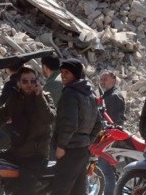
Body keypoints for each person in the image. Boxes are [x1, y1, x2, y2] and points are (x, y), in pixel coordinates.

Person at [0, 66, 54, 195]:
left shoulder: (45, 97)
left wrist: (39, 97)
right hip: (16, 150)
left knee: (24, 189)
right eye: (25, 81)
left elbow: (49, 118)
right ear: (19, 83)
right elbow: (2, 114)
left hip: (35, 155)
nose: (29, 84)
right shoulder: (15, 97)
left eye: (32, 81)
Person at [52, 59, 103, 195]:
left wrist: (61, 146)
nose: (63, 75)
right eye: (62, 72)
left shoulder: (70, 93)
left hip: (69, 150)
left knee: (61, 189)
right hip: (82, 151)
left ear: (75, 74)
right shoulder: (90, 94)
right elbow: (99, 124)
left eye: (67, 72)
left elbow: (69, 123)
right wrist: (87, 141)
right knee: (78, 190)